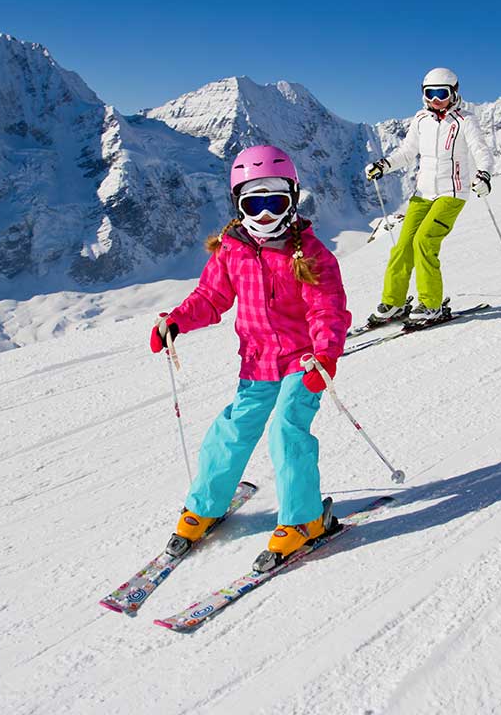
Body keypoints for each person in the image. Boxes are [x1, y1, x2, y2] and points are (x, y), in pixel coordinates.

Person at [150, 145, 351, 571]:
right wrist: (177, 321)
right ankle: (204, 506)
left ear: (292, 199)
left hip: (304, 363)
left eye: (274, 202)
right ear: (237, 204)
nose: (263, 215)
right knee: (231, 429)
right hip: (257, 362)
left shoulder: (312, 254)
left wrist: (326, 354)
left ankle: (304, 521)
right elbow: (211, 296)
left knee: (286, 429)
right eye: (252, 204)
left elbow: (327, 308)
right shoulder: (232, 250)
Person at [364, 67, 494, 326]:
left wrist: (485, 175)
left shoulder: (465, 121)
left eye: (441, 93)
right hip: (423, 193)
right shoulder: (421, 120)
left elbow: (481, 151)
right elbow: (407, 152)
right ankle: (394, 302)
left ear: (454, 93)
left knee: (424, 241)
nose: (436, 99)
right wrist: (384, 165)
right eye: (430, 93)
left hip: (452, 193)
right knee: (402, 247)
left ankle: (431, 304)